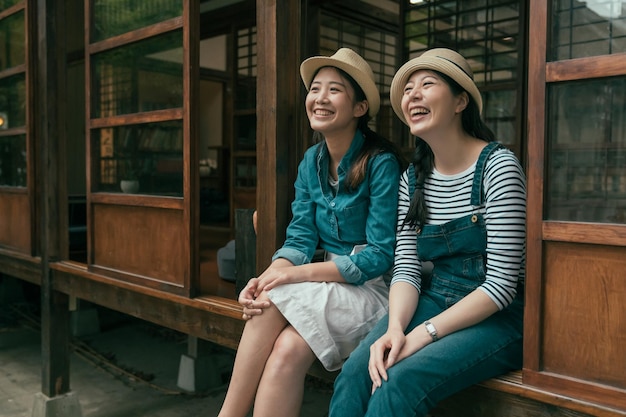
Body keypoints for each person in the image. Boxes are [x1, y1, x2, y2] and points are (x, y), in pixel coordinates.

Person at [328, 48, 526, 417]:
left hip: (499, 316)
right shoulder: (412, 178)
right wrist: (396, 328)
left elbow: (500, 287)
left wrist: (422, 335)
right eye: (407, 89)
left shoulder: (499, 168)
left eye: (427, 84)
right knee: (356, 372)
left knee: (397, 382)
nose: (412, 95)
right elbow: (406, 268)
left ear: (460, 101)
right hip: (434, 299)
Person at [217, 48, 404, 417]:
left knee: (272, 300)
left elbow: (379, 255)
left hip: (374, 289)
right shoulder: (311, 162)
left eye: (334, 90)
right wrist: (263, 279)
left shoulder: (381, 164)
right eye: (315, 88)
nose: (319, 98)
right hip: (323, 286)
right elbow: (300, 237)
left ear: (359, 108)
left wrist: (291, 277)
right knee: (285, 347)